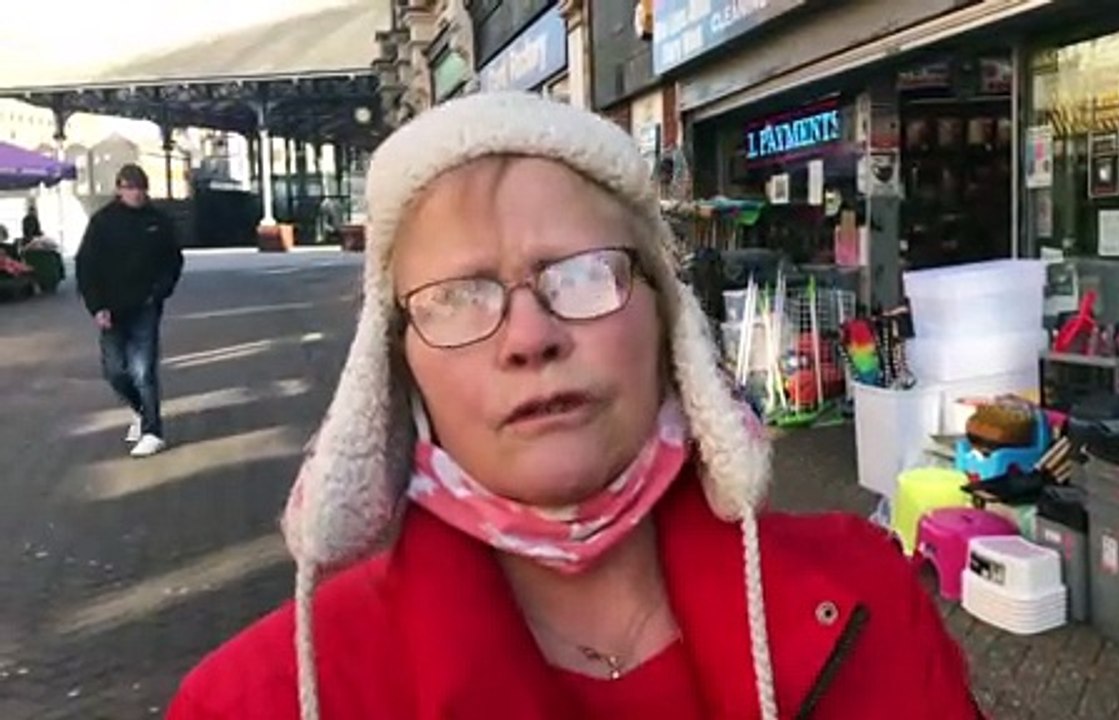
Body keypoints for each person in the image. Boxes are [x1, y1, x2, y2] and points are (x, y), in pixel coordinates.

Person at [166, 93, 981, 719]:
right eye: (457, 296)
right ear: (396, 366)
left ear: (669, 321)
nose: (529, 335)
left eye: (583, 274)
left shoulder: (870, 594)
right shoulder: (257, 699)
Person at [76, 164, 183, 458]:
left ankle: (152, 431)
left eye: (140, 188)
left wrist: (160, 291)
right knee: (114, 371)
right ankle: (140, 409)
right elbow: (87, 266)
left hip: (146, 305)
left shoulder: (158, 222)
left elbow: (173, 260)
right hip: (110, 309)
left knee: (143, 369)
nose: (135, 193)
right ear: (119, 189)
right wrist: (96, 306)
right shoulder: (102, 223)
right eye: (130, 188)